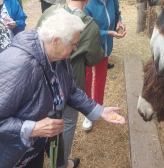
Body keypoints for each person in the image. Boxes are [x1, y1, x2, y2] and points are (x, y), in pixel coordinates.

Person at [0, 9, 125, 168]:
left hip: (32, 149)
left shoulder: (59, 57)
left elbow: (70, 90)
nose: (75, 49)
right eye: (74, 44)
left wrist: (98, 110)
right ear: (56, 41)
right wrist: (34, 128)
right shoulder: (19, 66)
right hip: (11, 155)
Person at [36, 0, 104, 168]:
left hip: (43, 80)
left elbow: (37, 38)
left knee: (42, 117)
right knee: (66, 122)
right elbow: (94, 59)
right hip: (71, 83)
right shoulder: (89, 25)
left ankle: (43, 155)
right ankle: (61, 163)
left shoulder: (50, 11)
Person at [83, 0, 126, 131]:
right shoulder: (87, 1)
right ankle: (88, 111)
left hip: (105, 45)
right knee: (87, 78)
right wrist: (108, 33)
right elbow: (87, 29)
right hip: (89, 46)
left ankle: (98, 109)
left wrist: (119, 21)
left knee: (100, 78)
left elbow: (116, 10)